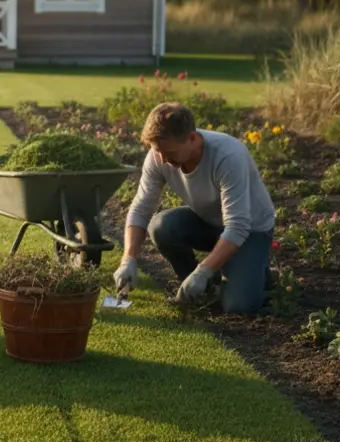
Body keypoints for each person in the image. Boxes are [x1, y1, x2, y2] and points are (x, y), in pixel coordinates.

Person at [114, 102, 276, 314]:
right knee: (162, 226)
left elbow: (237, 227)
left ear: (192, 138)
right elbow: (141, 209)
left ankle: (260, 272)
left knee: (239, 306)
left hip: (251, 231)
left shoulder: (227, 156)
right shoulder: (159, 155)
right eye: (158, 151)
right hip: (209, 223)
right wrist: (129, 258)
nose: (162, 159)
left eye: (169, 152)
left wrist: (203, 270)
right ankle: (202, 285)